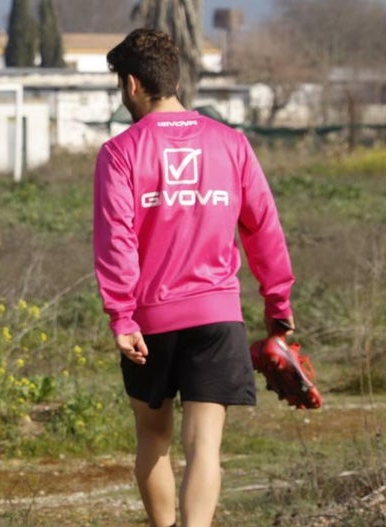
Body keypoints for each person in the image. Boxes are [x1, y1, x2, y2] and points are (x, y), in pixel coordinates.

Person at [92, 28, 296, 527]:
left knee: (153, 441)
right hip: (218, 317)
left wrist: (121, 316)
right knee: (205, 446)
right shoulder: (231, 144)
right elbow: (263, 228)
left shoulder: (120, 153)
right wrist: (278, 306)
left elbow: (116, 241)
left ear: (133, 85)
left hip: (150, 324)